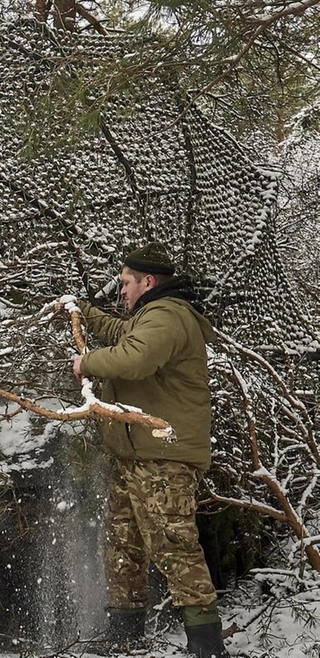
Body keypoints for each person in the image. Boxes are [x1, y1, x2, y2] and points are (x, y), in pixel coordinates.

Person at [72, 244, 229, 658]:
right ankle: (124, 637)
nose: (121, 291)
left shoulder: (169, 315)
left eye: (126, 283)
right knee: (123, 543)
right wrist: (82, 312)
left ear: (148, 282)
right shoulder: (149, 316)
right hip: (135, 454)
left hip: (165, 454)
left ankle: (206, 647)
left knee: (173, 544)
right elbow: (123, 334)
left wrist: (86, 363)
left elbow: (134, 358)